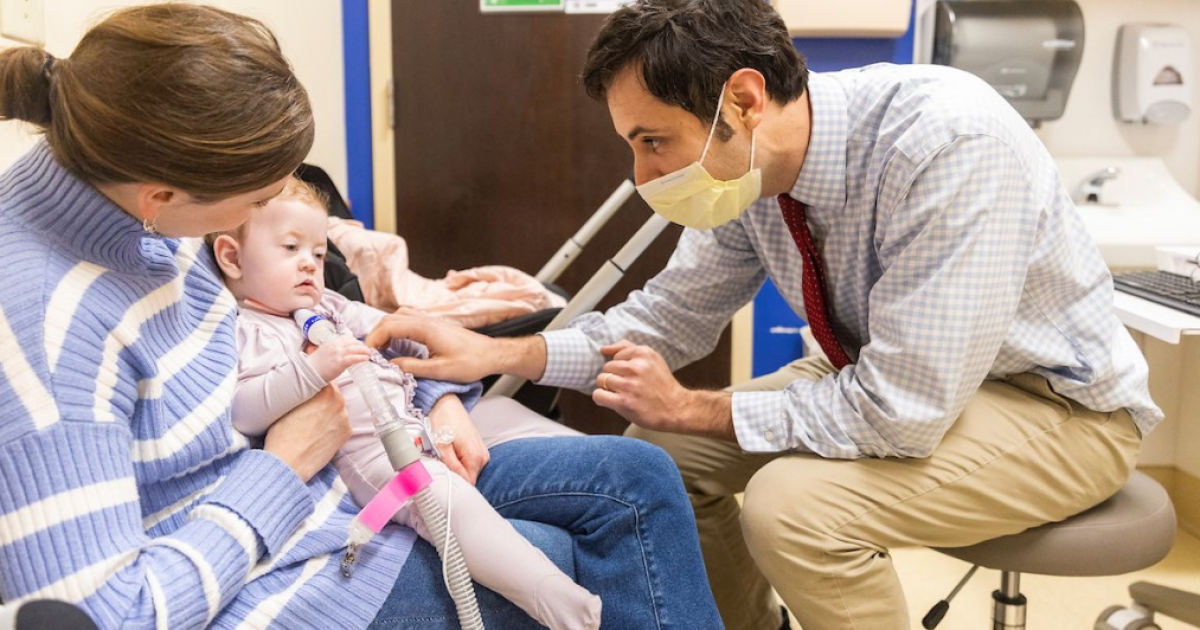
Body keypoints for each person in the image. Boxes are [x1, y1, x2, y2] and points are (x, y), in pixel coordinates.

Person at [364, 1, 1163, 629]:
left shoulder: (946, 145)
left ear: (742, 100)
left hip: (1059, 408)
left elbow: (903, 413)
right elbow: (666, 320)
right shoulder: (752, 176)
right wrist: (490, 352)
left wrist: (697, 404)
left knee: (795, 510)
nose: (643, 176)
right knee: (659, 457)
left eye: (653, 142)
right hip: (886, 372)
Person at [0, 4, 724, 630]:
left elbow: (351, 323)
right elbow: (111, 612)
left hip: (348, 480)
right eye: (254, 206)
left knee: (636, 478)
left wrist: (442, 402)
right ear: (165, 198)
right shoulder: (49, 333)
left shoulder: (145, 214)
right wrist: (285, 468)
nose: (260, 225)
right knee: (572, 562)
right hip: (277, 567)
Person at [210, 178, 601, 630]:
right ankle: (553, 599)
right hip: (376, 458)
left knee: (506, 441)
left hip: (414, 423)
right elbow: (244, 410)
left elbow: (393, 327)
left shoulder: (330, 306)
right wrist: (314, 370)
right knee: (448, 502)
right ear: (232, 257)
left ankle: (579, 520)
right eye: (291, 247)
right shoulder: (245, 329)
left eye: (318, 254)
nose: (309, 265)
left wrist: (410, 337)